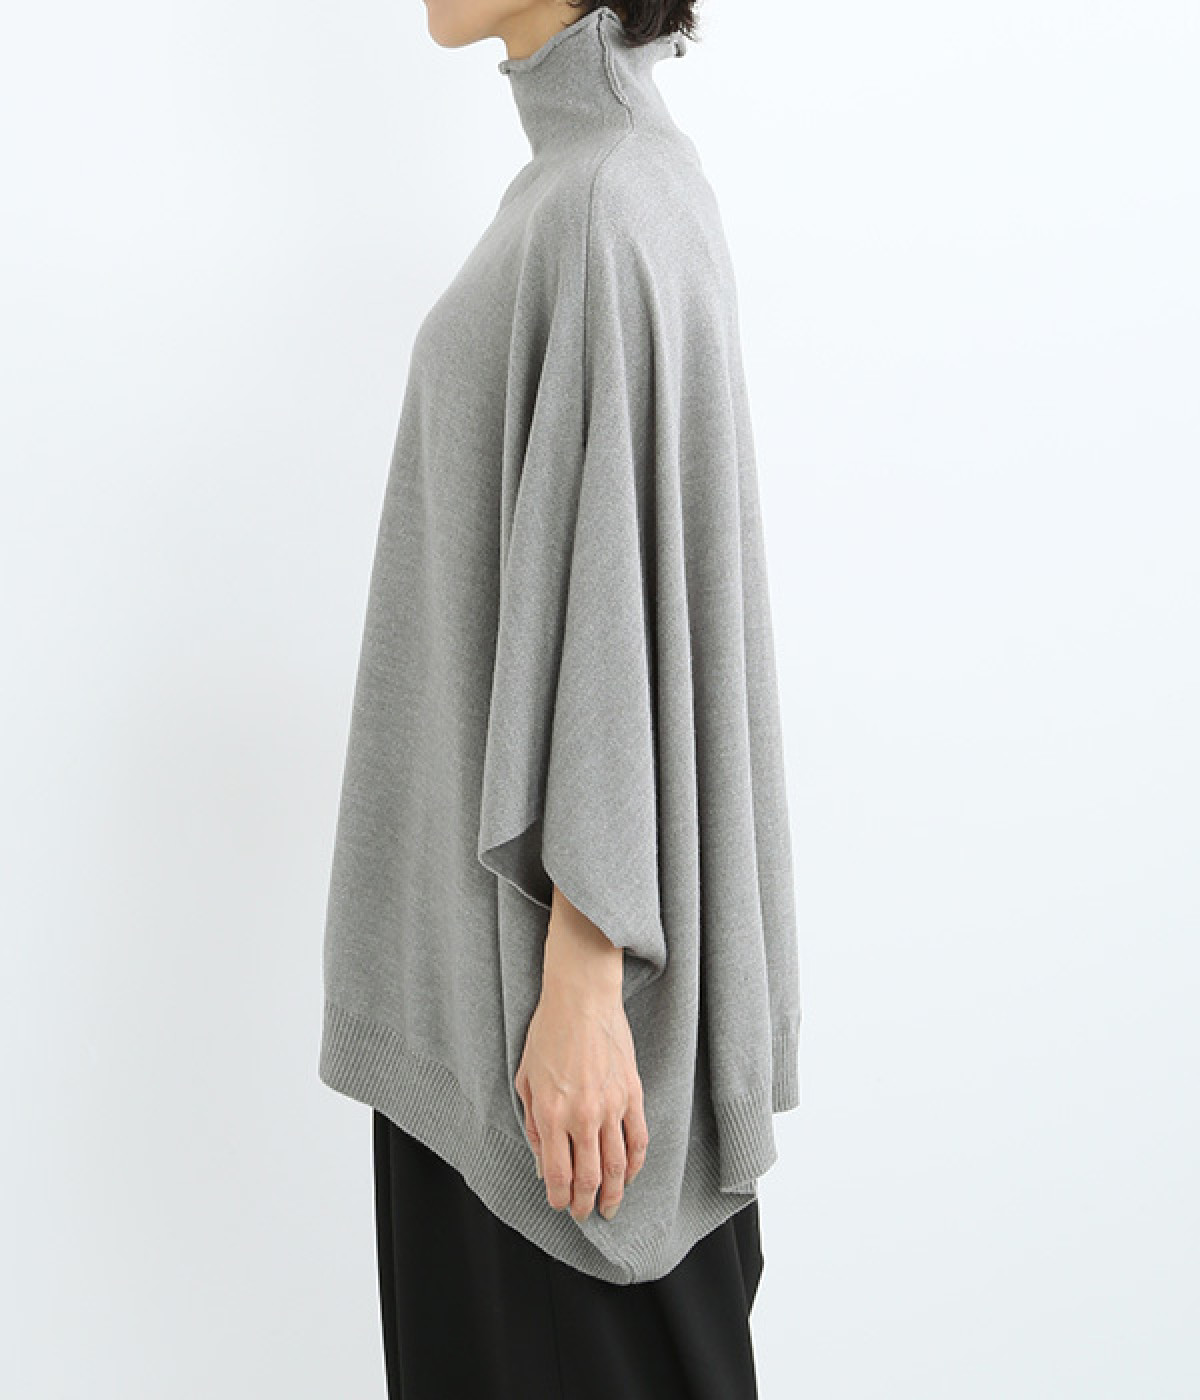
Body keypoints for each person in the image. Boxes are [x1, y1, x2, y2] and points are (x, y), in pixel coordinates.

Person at [318, 3, 803, 1395]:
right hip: (505, 1025)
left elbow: (621, 596)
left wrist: (585, 983)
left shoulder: (606, 206)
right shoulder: (591, 183)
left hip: (551, 1059)